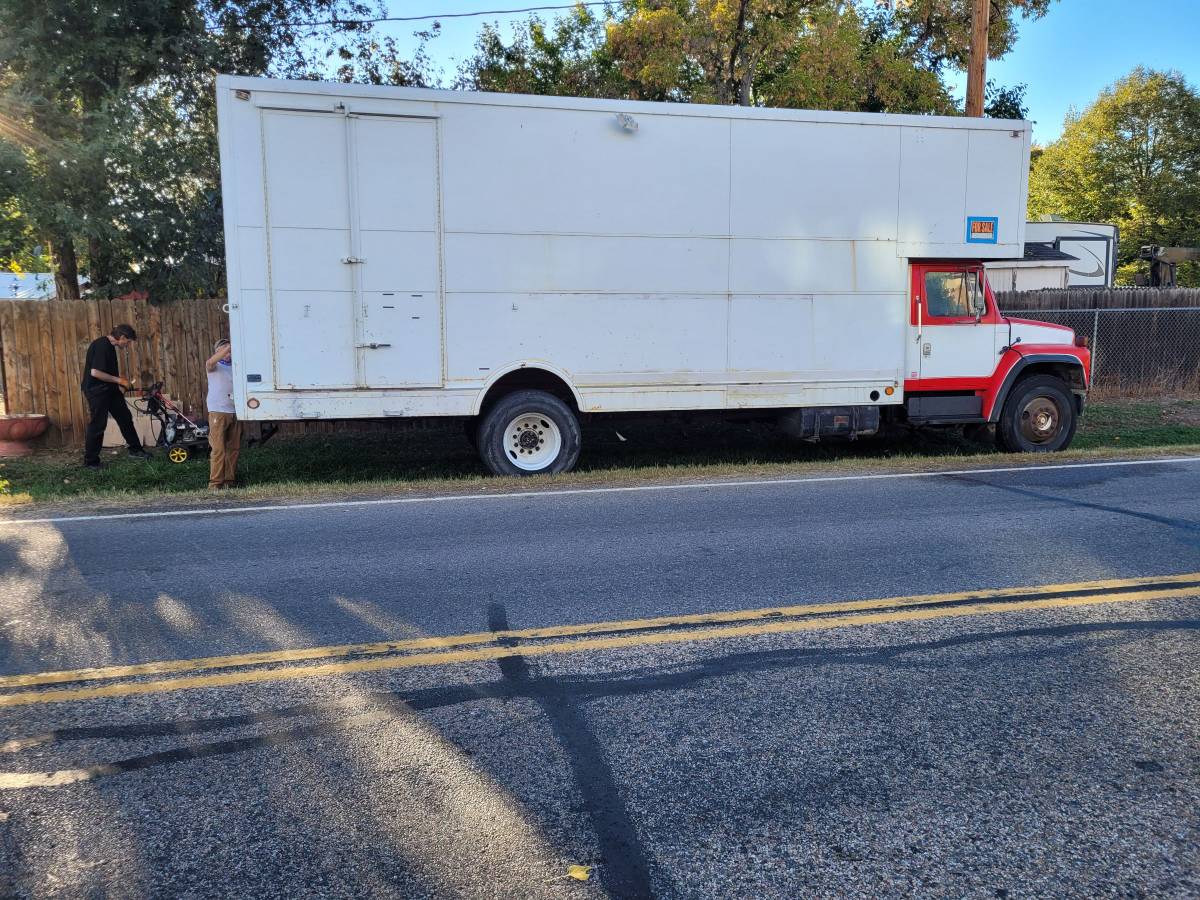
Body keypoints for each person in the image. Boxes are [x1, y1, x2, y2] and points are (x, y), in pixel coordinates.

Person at [82, 324, 152, 468]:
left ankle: (135, 450)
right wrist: (119, 380)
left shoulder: (109, 346)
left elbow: (105, 372)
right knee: (98, 425)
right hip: (97, 391)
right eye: (128, 342)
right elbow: (95, 373)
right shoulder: (102, 345)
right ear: (122, 337)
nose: (128, 345)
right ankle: (91, 462)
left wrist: (119, 382)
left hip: (109, 390)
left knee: (125, 418)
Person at [205, 338, 241, 490]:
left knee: (234, 449)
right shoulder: (213, 366)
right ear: (217, 352)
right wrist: (229, 346)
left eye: (230, 351)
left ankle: (229, 482)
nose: (228, 353)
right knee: (218, 449)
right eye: (224, 350)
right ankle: (215, 484)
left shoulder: (237, 366)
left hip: (235, 411)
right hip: (218, 412)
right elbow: (210, 362)